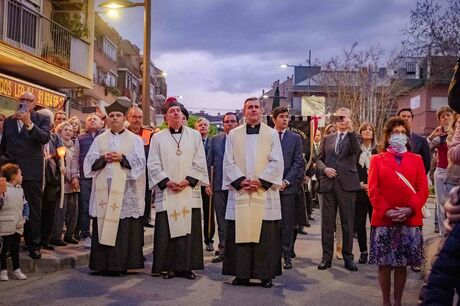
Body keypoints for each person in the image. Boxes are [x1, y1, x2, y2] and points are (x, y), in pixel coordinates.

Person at [222, 97, 284, 288]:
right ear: (244, 111)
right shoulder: (233, 134)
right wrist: (241, 181)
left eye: (257, 107)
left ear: (262, 110)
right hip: (241, 191)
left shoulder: (272, 134)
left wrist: (261, 181)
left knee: (264, 234)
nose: (254, 110)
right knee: (240, 232)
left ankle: (265, 275)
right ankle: (241, 275)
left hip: (263, 192)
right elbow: (228, 161)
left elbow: (277, 161)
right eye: (250, 107)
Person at [368, 117, 428, 306]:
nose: (399, 136)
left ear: (408, 137)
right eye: (395, 133)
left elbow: (422, 189)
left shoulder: (416, 159)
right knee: (384, 264)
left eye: (403, 133)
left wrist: (410, 209)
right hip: (384, 219)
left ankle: (398, 302)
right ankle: (386, 301)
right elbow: (373, 189)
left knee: (402, 264)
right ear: (387, 136)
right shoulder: (377, 159)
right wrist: (386, 211)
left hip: (409, 219)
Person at [83, 100, 146, 276]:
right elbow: (88, 164)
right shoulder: (100, 139)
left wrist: (122, 157)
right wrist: (104, 158)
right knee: (103, 224)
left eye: (118, 115)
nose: (115, 118)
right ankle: (102, 264)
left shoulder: (135, 140)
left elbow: (140, 163)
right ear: (108, 120)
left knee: (123, 228)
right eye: (111, 116)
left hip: (125, 189)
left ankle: (119, 265)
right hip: (105, 188)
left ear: (124, 118)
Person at [148, 100, 209, 280]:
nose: (176, 113)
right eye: (172, 111)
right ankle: (168, 267)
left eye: (178, 111)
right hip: (168, 191)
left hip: (188, 191)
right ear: (166, 117)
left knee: (188, 229)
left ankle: (187, 267)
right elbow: (152, 163)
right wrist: (166, 181)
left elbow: (200, 160)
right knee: (168, 230)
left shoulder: (195, 135)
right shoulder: (157, 138)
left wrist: (188, 181)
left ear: (183, 117)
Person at [0, 92, 51, 259]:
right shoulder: (9, 121)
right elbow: (4, 145)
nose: (24, 102)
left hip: (31, 171)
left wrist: (28, 123)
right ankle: (9, 245)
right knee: (10, 209)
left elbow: (44, 138)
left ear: (34, 103)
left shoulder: (41, 119)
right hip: (11, 172)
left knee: (34, 210)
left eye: (28, 100)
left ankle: (34, 244)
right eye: (21, 99)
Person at [316, 108, 361, 271]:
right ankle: (326, 258)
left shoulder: (354, 136)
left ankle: (348, 257)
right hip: (328, 184)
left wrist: (350, 129)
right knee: (327, 224)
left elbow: (356, 151)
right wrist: (324, 169)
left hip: (347, 185)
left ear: (349, 118)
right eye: (339, 118)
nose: (341, 120)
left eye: (344, 117)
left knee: (347, 222)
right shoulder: (327, 138)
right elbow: (319, 160)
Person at [272, 106, 304, 270]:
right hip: (269, 187)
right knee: (272, 223)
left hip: (288, 188)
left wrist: (286, 181)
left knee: (287, 223)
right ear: (274, 119)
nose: (285, 119)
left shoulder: (295, 138)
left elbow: (298, 162)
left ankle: (287, 255)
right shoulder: (268, 136)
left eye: (287, 116)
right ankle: (273, 254)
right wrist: (271, 181)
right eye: (281, 117)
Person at [206, 112, 239, 263]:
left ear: (237, 123)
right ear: (223, 124)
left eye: (233, 121)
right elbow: (209, 162)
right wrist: (208, 183)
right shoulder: (215, 140)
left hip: (237, 187)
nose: (230, 124)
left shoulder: (241, 140)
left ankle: (236, 250)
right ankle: (223, 249)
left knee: (236, 220)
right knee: (221, 220)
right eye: (227, 122)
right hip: (219, 185)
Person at [70, 113, 104, 248]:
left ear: (101, 122)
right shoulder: (80, 138)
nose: (92, 121)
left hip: (100, 176)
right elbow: (75, 158)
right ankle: (86, 235)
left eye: (95, 119)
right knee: (84, 207)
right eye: (89, 119)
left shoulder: (105, 136)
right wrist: (74, 175)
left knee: (101, 205)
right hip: (85, 178)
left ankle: (99, 234)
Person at [50, 122, 79, 245]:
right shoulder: (58, 145)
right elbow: (59, 164)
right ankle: (56, 236)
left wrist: (76, 177)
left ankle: (69, 234)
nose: (68, 132)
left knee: (74, 210)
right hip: (63, 183)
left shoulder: (74, 146)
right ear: (60, 131)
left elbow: (77, 162)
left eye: (70, 130)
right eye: (65, 129)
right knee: (60, 210)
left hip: (74, 183)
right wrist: (70, 177)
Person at [38, 109, 63, 250]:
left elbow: (61, 153)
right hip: (38, 176)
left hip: (52, 178)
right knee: (37, 209)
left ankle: (44, 239)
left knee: (49, 210)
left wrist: (52, 156)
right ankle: (33, 239)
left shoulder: (55, 137)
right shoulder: (35, 135)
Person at [427, 106, 454, 235]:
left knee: (454, 204)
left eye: (448, 115)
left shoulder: (457, 133)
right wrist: (432, 135)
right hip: (441, 171)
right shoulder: (439, 136)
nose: (446, 118)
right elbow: (425, 147)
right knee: (441, 204)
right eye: (442, 116)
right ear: (439, 120)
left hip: (455, 173)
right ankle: (444, 233)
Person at [354, 122, 378, 264]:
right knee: (360, 223)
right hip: (360, 191)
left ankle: (375, 251)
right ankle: (363, 251)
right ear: (360, 133)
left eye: (370, 129)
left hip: (375, 192)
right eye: (365, 130)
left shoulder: (378, 151)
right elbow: (352, 169)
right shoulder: (356, 151)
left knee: (375, 223)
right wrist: (360, 184)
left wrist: (372, 186)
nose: (368, 131)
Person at [127, 107, 154, 228]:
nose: (137, 120)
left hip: (145, 170)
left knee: (146, 195)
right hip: (127, 169)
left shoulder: (149, 133)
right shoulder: (124, 132)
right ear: (129, 118)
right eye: (134, 117)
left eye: (139, 117)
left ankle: (145, 219)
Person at [0, 163, 28, 281]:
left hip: (18, 223)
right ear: (13, 176)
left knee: (15, 247)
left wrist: (25, 217)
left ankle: (17, 269)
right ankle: (3, 270)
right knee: (4, 248)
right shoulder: (3, 189)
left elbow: (25, 205)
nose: (22, 176)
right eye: (20, 174)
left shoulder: (20, 190)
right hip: (5, 224)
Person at [195, 117, 215, 252]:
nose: (203, 127)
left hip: (208, 182)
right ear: (196, 127)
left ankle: (209, 239)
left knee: (209, 213)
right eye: (200, 125)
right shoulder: (192, 141)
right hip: (193, 182)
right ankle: (194, 241)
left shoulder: (212, 142)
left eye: (205, 125)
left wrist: (209, 183)